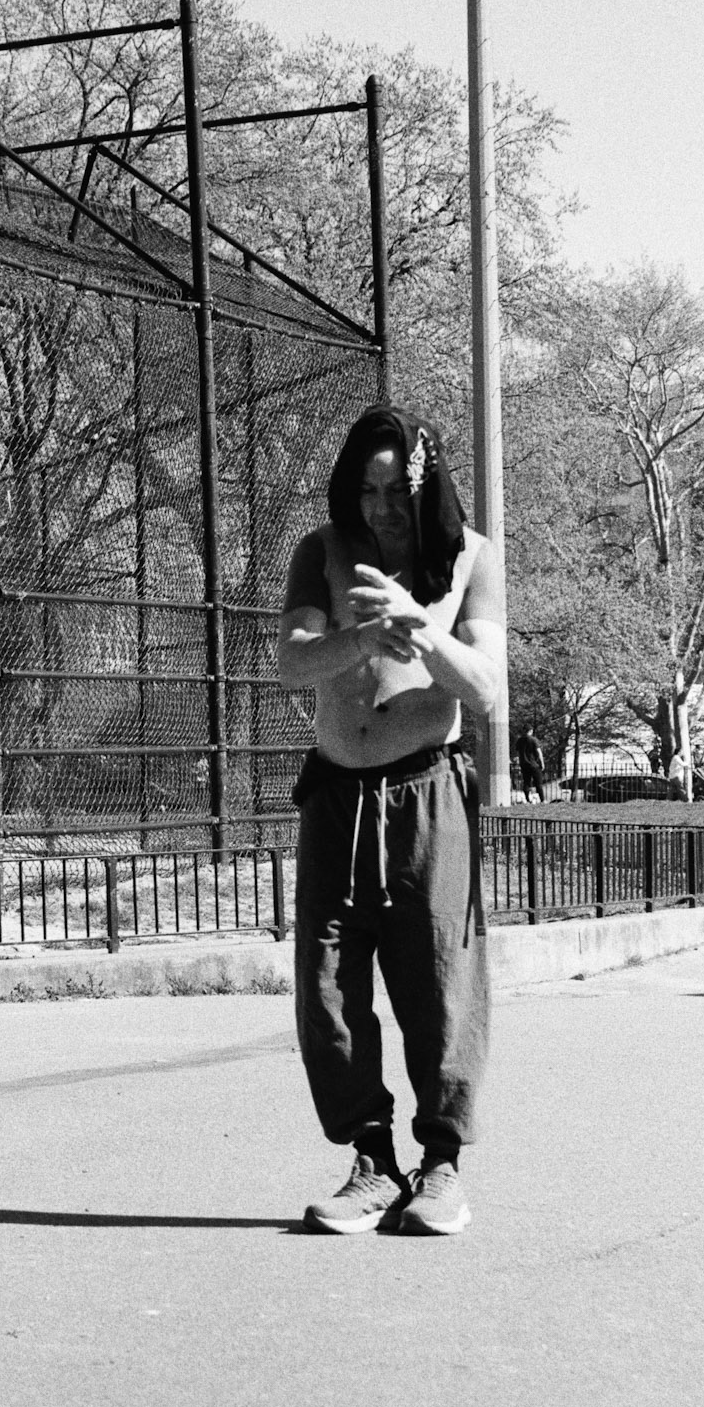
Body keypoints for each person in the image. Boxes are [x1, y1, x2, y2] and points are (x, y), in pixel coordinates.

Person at [277, 404, 506, 1237]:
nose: (380, 508)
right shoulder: (323, 551)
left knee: (440, 981)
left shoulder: (471, 557)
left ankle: (442, 1168)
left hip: (426, 793)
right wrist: (363, 634)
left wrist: (418, 628)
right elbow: (291, 661)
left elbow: (485, 688)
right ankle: (372, 1164)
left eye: (394, 492)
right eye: (366, 491)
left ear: (424, 487)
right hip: (337, 796)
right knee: (328, 987)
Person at [516, 723, 547, 803]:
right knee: (538, 783)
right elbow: (539, 752)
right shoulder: (533, 740)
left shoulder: (519, 741)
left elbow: (518, 753)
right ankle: (542, 800)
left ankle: (527, 799)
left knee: (526, 783)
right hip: (533, 764)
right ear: (530, 731)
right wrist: (542, 763)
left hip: (524, 764)